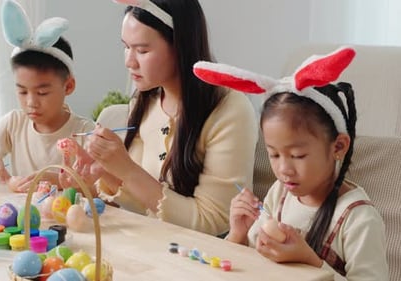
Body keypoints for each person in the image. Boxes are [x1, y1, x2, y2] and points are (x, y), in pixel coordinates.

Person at [60, 0, 258, 236]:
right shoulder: (145, 101)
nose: (128, 62)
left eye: (142, 50)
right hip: (153, 246)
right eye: (126, 47)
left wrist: (127, 170)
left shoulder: (229, 109)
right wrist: (105, 172)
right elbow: (145, 208)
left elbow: (214, 221)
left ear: (180, 46)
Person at [193, 47, 389, 280]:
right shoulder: (280, 194)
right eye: (274, 155)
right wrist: (239, 234)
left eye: (297, 156)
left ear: (338, 147)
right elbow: (248, 266)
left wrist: (311, 261)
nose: (284, 169)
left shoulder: (358, 219)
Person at [0, 0, 94, 192]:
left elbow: (106, 194)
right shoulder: (15, 123)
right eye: (22, 91)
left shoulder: (85, 132)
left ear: (69, 86)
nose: (31, 103)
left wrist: (59, 180)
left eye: (42, 92)